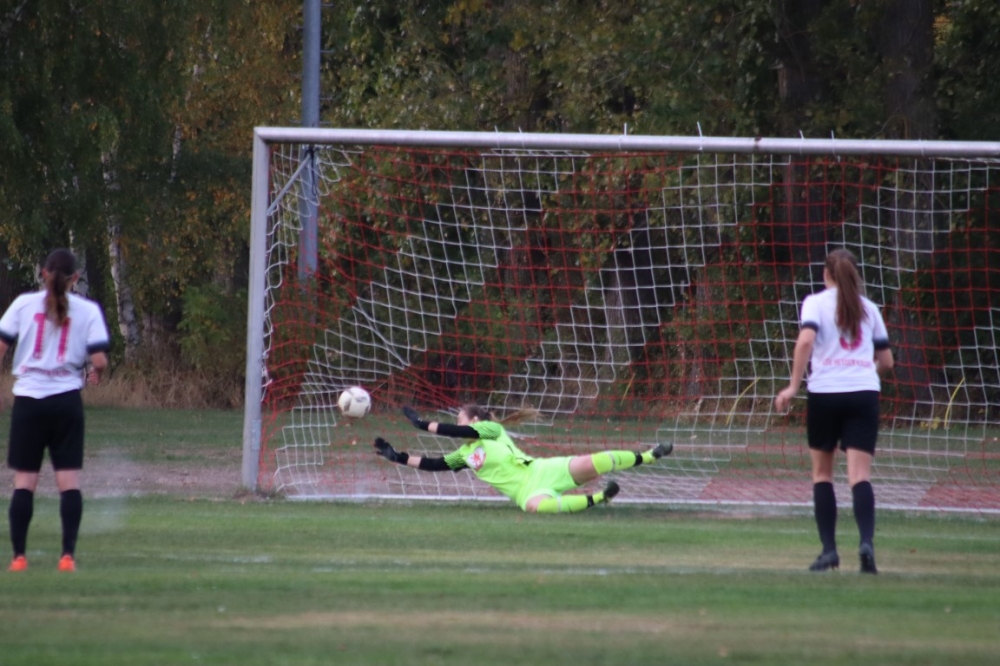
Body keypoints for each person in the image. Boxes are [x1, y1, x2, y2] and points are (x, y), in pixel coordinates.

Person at [774, 248, 893, 574]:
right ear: (855, 275)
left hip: (825, 394)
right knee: (860, 477)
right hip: (864, 394)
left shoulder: (815, 303)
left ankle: (829, 551)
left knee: (822, 475)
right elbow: (886, 361)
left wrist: (793, 386)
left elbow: (805, 341)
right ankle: (866, 543)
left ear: (826, 275)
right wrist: (861, 371)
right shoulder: (869, 308)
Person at [2, 249, 111, 572]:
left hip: (29, 401)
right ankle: (67, 557)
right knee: (68, 481)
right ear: (75, 278)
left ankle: (19, 558)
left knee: (25, 481)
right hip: (66, 402)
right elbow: (99, 359)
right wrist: (96, 372)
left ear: (43, 273)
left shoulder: (23, 304)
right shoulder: (88, 310)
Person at [373, 403, 672, 513]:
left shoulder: (491, 430)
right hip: (526, 492)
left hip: (542, 471)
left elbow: (453, 430)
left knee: (591, 462)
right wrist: (397, 457)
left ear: (476, 420)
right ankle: (599, 498)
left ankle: (648, 455)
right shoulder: (464, 455)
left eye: (462, 418)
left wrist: (421, 424)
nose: (458, 423)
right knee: (534, 507)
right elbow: (434, 464)